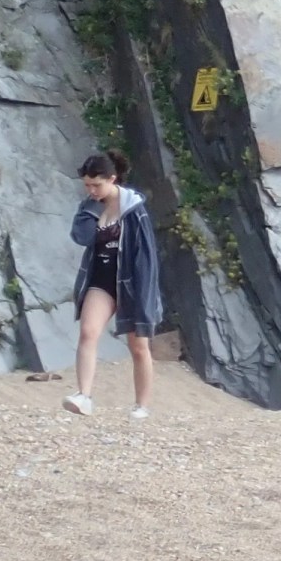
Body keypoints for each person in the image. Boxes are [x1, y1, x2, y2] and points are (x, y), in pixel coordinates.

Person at [61, 150, 162, 419]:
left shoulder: (134, 210)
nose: (92, 190)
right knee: (88, 332)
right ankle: (84, 395)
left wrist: (145, 295)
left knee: (139, 347)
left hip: (132, 283)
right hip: (102, 279)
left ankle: (141, 405)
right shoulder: (90, 205)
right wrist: (93, 208)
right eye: (87, 185)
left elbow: (147, 256)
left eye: (97, 185)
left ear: (113, 179)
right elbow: (81, 237)